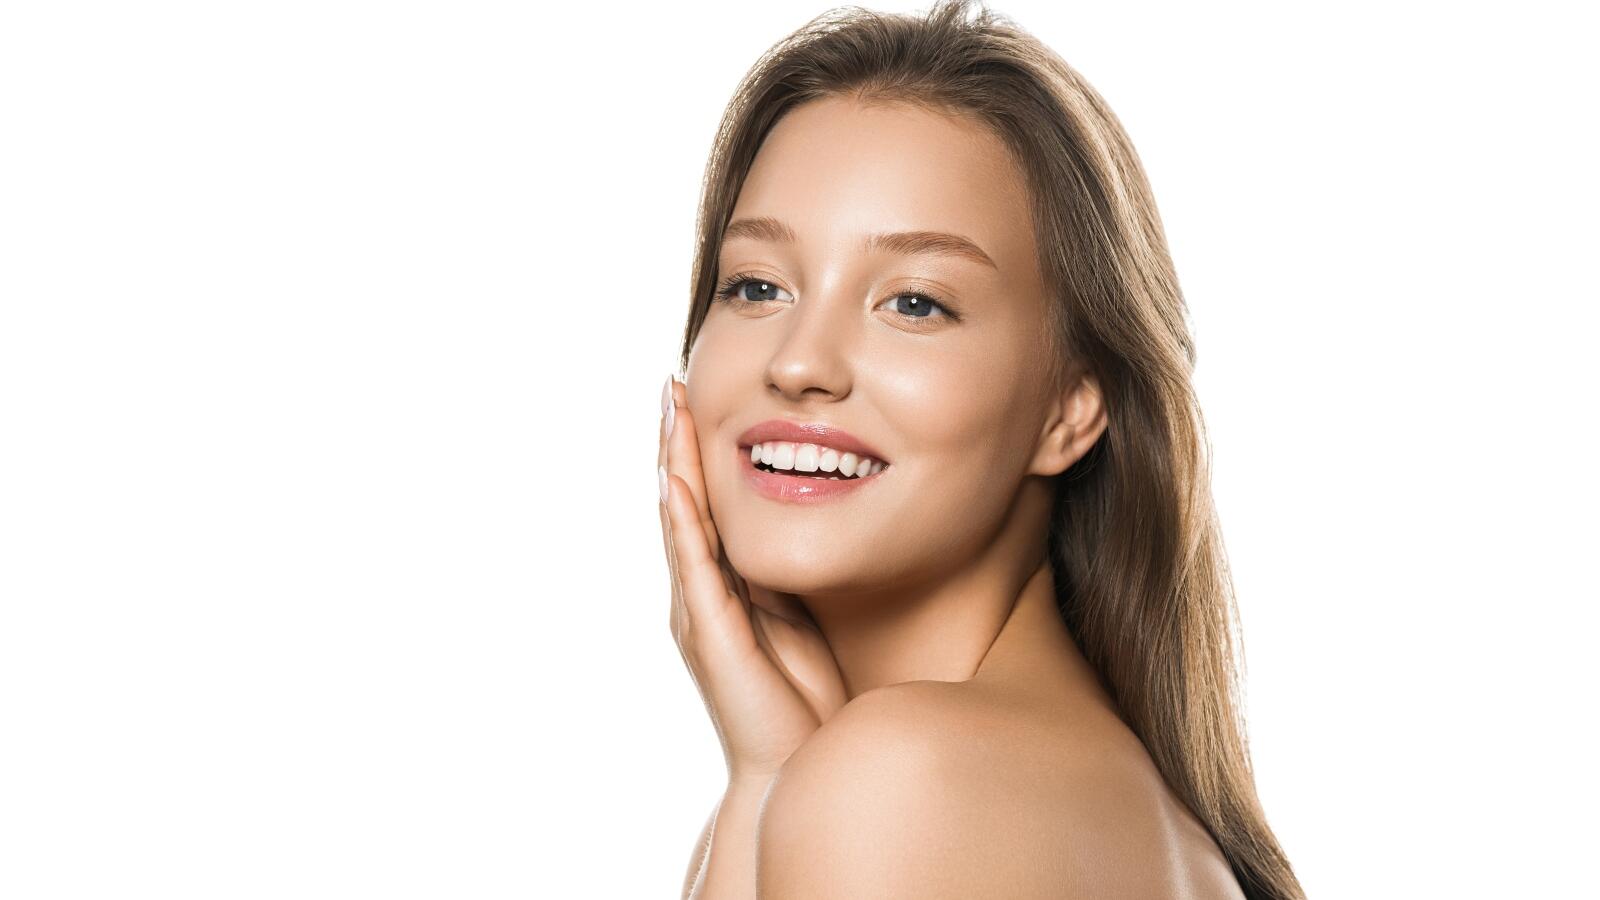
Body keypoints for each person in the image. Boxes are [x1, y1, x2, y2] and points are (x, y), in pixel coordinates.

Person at [656, 1, 1304, 897]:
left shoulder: (901, 785)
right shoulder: (1063, 787)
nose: (798, 363)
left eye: (914, 302)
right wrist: (765, 775)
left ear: (1070, 412)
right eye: (756, 286)